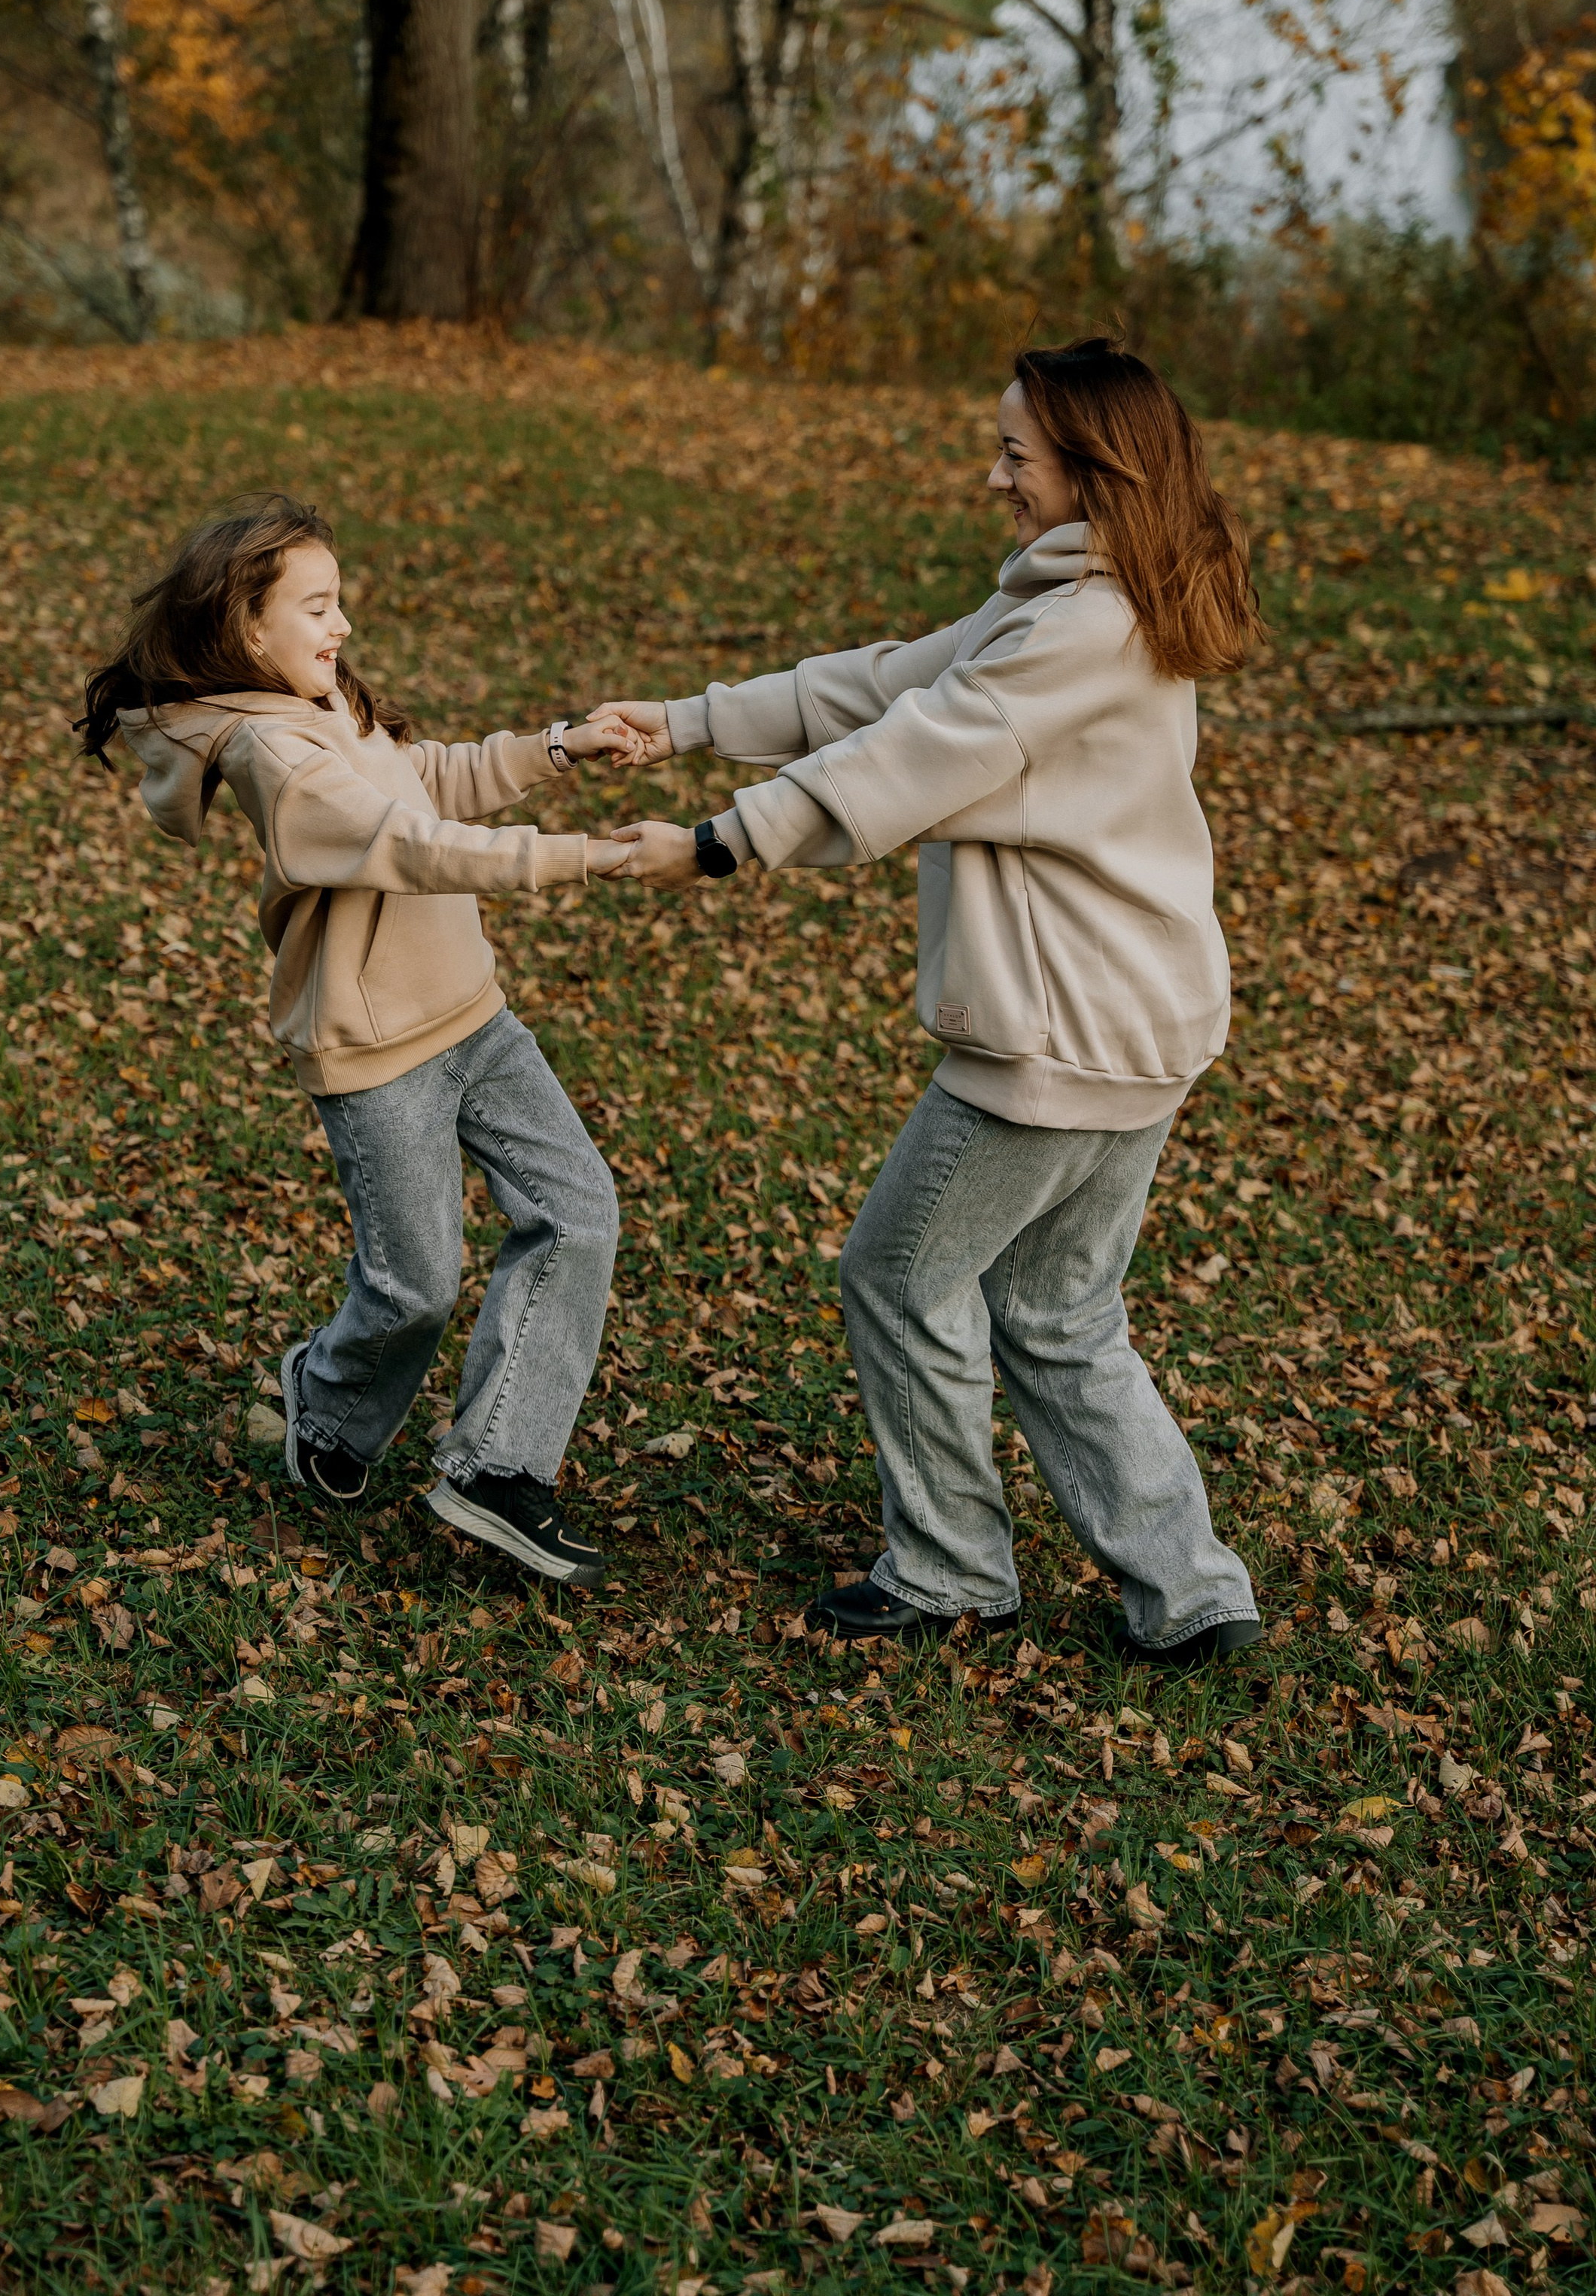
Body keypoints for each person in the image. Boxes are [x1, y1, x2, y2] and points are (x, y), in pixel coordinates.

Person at [594, 337, 1264, 1667]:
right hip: (1135, 1025)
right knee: (1062, 1314)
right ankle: (1191, 1594)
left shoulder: (1084, 628)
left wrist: (718, 841)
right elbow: (893, 679)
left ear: (1093, 467)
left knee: (898, 1274)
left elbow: (920, 751)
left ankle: (952, 1569)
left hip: (1058, 1033)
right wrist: (681, 721)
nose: (995, 475)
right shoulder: (1088, 594)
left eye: (1016, 453)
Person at [79, 492, 647, 1591]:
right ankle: (328, 1401)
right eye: (320, 607)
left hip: (476, 1017)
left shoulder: (326, 703)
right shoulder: (273, 758)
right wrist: (586, 858)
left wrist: (556, 747)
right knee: (415, 1285)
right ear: (249, 627)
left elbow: (421, 780)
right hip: (374, 1051)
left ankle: (498, 1470)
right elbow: (414, 847)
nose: (342, 628)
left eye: (342, 605)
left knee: (579, 1208)